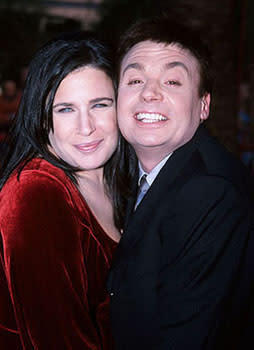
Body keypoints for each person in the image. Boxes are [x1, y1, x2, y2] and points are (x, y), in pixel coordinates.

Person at [107, 15, 254, 349]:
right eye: (134, 81)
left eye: (172, 82)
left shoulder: (210, 193)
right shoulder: (136, 170)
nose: (149, 94)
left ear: (203, 106)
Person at [0, 31, 130, 349]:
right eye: (65, 109)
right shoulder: (36, 195)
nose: (86, 126)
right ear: (41, 117)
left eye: (100, 104)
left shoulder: (122, 181)